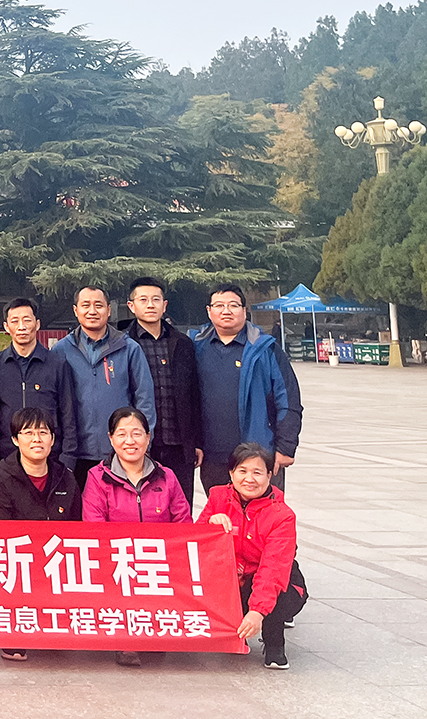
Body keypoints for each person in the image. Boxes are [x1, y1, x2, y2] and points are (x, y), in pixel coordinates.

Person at [82, 407, 190, 667]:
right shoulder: (97, 478)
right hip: (117, 561)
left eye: (137, 434)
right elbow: (94, 528)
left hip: (158, 562)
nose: (129, 441)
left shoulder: (167, 477)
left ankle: (156, 628)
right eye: (122, 434)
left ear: (148, 437)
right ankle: (126, 638)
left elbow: (183, 522)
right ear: (111, 439)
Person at [0, 407, 80, 662]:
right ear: (15, 439)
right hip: (18, 562)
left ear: (52, 439)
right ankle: (16, 627)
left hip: (56, 562)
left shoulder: (66, 478)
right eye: (28, 433)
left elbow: (77, 531)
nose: (37, 439)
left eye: (43, 433)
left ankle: (55, 618)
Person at [200, 443, 308, 670]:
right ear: (231, 473)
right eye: (242, 471)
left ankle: (274, 642)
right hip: (232, 579)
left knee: (275, 593)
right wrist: (209, 524)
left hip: (277, 582)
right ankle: (235, 632)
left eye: (257, 472)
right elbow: (194, 544)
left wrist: (257, 612)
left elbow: (273, 569)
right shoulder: (218, 499)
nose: (249, 479)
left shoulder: (282, 516)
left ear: (269, 475)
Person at [191, 284, 303, 493]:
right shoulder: (196, 348)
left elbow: (288, 399)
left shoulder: (265, 349)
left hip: (259, 454)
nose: (226, 311)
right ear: (209, 311)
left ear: (244, 310)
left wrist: (286, 446)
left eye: (234, 305)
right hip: (213, 457)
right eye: (219, 305)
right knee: (221, 512)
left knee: (263, 511)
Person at [52, 286, 156, 488]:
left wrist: (143, 443)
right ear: (76, 310)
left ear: (108, 310)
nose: (92, 311)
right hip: (74, 455)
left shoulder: (129, 348)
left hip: (120, 453)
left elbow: (145, 399)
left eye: (98, 305)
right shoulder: (61, 350)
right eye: (86, 305)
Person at [122, 277, 204, 510]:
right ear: (131, 306)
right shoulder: (123, 344)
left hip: (178, 442)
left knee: (180, 506)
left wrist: (196, 441)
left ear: (164, 305)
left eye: (155, 300)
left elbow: (194, 395)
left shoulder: (183, 343)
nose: (150, 305)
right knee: (142, 508)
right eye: (143, 300)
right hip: (141, 443)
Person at [0, 297, 76, 461]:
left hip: (50, 456)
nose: (21, 327)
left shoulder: (57, 364)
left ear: (37, 324)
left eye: (27, 320)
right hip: (7, 455)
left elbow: (68, 414)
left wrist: (68, 457)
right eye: (15, 321)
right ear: (6, 326)